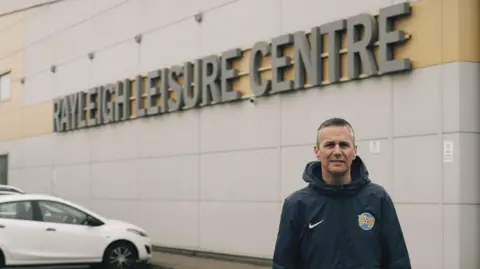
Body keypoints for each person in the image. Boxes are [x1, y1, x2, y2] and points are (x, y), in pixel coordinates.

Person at [272, 117, 411, 269]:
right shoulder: (297, 205)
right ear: (317, 151)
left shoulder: (378, 199)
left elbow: (397, 261)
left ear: (354, 151)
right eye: (330, 145)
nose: (337, 152)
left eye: (344, 145)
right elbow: (283, 265)